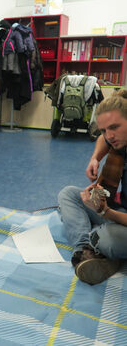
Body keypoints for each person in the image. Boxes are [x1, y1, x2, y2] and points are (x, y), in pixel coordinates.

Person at [58, 89, 127, 285]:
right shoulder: (118, 139)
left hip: (119, 217)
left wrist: (105, 212)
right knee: (69, 194)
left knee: (105, 238)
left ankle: (101, 249)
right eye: (105, 129)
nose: (110, 136)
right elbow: (103, 140)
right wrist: (95, 158)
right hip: (121, 212)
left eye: (114, 127)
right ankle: (85, 252)